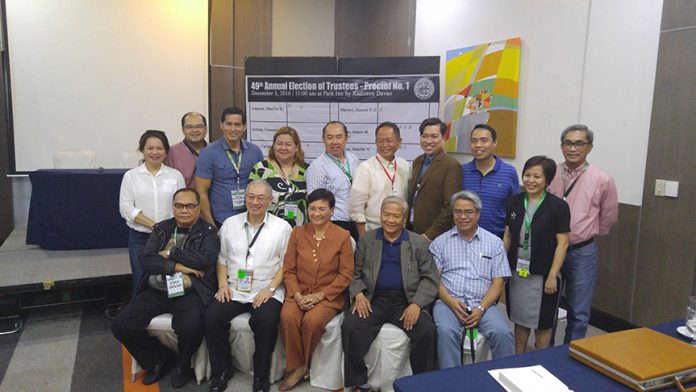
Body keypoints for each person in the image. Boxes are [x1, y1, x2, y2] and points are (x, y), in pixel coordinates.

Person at [112, 188, 220, 388]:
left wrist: (171, 253)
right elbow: (146, 259)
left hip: (191, 291)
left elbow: (205, 260)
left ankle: (183, 364)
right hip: (157, 289)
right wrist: (178, 267)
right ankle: (158, 359)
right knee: (121, 324)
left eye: (190, 206)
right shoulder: (162, 228)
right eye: (179, 206)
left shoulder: (209, 232)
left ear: (198, 208)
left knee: (190, 327)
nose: (184, 210)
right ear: (173, 207)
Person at [342, 196, 439, 390]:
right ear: (380, 215)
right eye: (386, 214)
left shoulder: (417, 242)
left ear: (404, 218)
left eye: (396, 216)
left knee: (427, 331)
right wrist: (359, 295)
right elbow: (355, 272)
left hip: (406, 301)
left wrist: (416, 304)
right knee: (351, 326)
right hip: (373, 299)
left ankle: (421, 383)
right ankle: (358, 381)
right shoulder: (368, 240)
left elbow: (430, 277)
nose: (391, 220)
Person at [204, 180, 292, 392]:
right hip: (234, 288)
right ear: (245, 199)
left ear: (271, 200)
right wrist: (223, 284)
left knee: (266, 320)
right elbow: (222, 259)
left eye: (261, 198)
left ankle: (261, 376)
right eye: (250, 197)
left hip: (266, 288)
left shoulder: (282, 228)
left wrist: (270, 289)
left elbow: (286, 265)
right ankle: (222, 370)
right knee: (211, 316)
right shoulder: (229, 224)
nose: (255, 202)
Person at [547, 124, 618, 343]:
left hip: (581, 251)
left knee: (579, 311)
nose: (573, 148)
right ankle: (546, 352)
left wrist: (589, 232)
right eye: (568, 143)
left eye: (579, 143)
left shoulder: (602, 179)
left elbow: (609, 216)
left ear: (589, 147)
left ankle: (570, 354)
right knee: (547, 307)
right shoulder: (551, 173)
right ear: (561, 146)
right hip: (550, 249)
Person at [279, 189, 353, 391]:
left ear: (332, 211)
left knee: (312, 321)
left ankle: (301, 366)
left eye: (322, 209)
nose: (316, 213)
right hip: (299, 293)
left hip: (328, 296)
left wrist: (319, 295)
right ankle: (298, 365)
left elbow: (345, 275)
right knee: (288, 317)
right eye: (312, 208)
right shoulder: (297, 233)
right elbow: (289, 270)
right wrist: (297, 295)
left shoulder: (343, 236)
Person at [430, 190, 514, 368]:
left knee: (503, 332)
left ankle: (502, 377)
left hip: (483, 303)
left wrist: (482, 308)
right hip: (448, 302)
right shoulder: (440, 242)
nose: (463, 217)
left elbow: (498, 281)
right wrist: (451, 302)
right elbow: (434, 280)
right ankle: (451, 381)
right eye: (457, 211)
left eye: (468, 212)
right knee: (445, 331)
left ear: (478, 213)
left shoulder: (494, 243)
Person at [503, 156, 570, 353]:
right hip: (518, 272)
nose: (531, 180)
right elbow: (508, 234)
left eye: (537, 176)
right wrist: (501, 265)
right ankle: (518, 357)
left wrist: (552, 275)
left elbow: (563, 243)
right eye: (527, 175)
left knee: (544, 323)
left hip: (544, 275)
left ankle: (541, 361)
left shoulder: (558, 206)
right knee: (519, 318)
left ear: (547, 180)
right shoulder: (514, 202)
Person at [119, 130, 185, 289]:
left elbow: (183, 205)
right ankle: (142, 312)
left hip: (171, 238)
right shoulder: (131, 176)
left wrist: (166, 231)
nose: (155, 152)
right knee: (140, 278)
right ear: (142, 150)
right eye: (150, 148)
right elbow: (125, 208)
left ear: (166, 151)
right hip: (140, 238)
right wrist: (156, 227)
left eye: (160, 148)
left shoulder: (175, 176)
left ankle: (171, 311)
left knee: (171, 278)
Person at [195, 107, 264, 227]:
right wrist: (210, 224)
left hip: (251, 217)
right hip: (220, 219)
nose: (233, 129)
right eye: (229, 124)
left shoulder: (255, 151)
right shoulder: (208, 153)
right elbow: (201, 192)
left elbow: (262, 186)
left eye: (237, 125)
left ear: (244, 126)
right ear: (221, 125)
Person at [349, 121, 411, 236]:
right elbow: (356, 209)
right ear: (375, 142)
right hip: (373, 232)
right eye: (380, 141)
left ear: (399, 142)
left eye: (389, 140)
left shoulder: (405, 165)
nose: (385, 145)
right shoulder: (365, 168)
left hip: (401, 232)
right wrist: (364, 239)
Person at [407, 117, 462, 242]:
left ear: (443, 138)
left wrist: (429, 235)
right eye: (424, 136)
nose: (428, 141)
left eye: (434, 136)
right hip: (411, 230)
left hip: (434, 236)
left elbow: (450, 206)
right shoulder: (417, 161)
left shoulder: (451, 165)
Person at [461, 124, 519, 238]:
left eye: (484, 140)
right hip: (465, 237)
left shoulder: (509, 172)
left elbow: (515, 209)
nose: (478, 145)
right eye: (474, 141)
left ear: (494, 143)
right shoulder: (462, 171)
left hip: (498, 238)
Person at [305, 121, 360, 241]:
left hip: (356, 222)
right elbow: (315, 205)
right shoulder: (317, 167)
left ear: (346, 139)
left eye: (339, 137)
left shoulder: (354, 159)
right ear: (323, 140)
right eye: (330, 137)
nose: (334, 142)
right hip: (332, 224)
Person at [250, 126, 309, 227]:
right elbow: (251, 200)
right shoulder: (261, 169)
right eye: (279, 143)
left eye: (288, 144)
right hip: (268, 229)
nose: (283, 148)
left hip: (300, 231)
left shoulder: (307, 170)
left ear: (296, 147)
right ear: (273, 146)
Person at [165, 112, 208, 188]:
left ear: (206, 129)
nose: (195, 130)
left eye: (199, 126)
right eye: (189, 127)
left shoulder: (215, 150)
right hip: (183, 198)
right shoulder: (171, 153)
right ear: (183, 130)